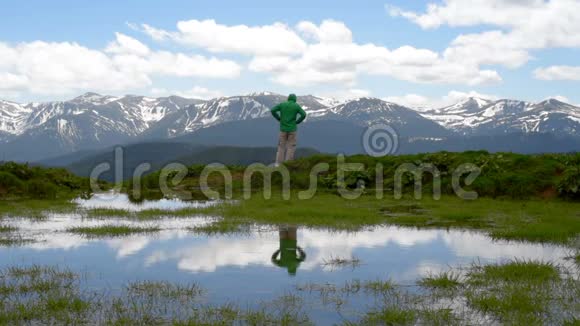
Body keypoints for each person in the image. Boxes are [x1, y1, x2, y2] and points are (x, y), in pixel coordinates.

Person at [270, 94, 307, 165]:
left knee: (281, 147)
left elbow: (273, 110)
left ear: (288, 98)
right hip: (292, 129)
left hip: (283, 129)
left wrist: (278, 118)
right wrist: (297, 122)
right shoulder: (296, 106)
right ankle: (288, 164)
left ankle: (278, 164)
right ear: (295, 99)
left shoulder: (282, 104)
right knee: (291, 147)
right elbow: (304, 114)